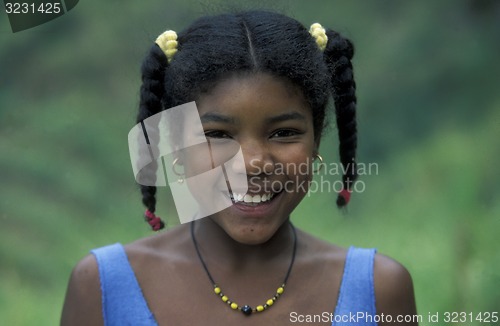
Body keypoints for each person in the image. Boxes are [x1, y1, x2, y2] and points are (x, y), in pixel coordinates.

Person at [61, 10, 418, 326]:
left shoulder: (378, 292)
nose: (253, 163)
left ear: (316, 143)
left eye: (283, 133)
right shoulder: (103, 289)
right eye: (217, 134)